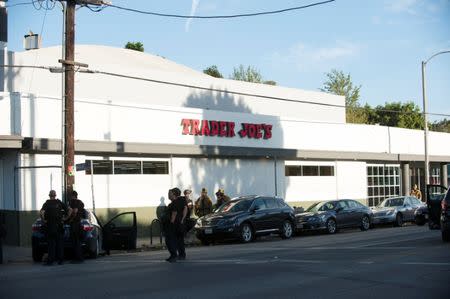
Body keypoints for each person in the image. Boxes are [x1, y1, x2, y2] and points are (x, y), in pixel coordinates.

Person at [40, 190, 68, 265]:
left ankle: (50, 261)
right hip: (59, 226)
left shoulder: (46, 203)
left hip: (50, 226)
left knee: (51, 245)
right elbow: (70, 210)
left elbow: (42, 212)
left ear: (49, 195)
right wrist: (65, 218)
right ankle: (60, 260)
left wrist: (44, 220)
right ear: (55, 195)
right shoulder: (59, 202)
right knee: (60, 244)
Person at [164, 188, 187, 263]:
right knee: (180, 240)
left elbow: (174, 213)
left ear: (174, 194)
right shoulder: (182, 200)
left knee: (169, 240)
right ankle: (182, 255)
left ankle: (173, 255)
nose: (168, 195)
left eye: (169, 193)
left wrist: (171, 223)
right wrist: (183, 219)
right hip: (180, 224)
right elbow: (185, 209)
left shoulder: (175, 202)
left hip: (174, 224)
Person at [67, 190, 85, 263]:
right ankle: (80, 257)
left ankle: (77, 258)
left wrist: (70, 219)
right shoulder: (81, 203)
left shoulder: (72, 202)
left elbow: (74, 211)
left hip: (74, 224)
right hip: (79, 224)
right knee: (78, 242)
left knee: (75, 242)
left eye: (70, 196)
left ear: (72, 196)